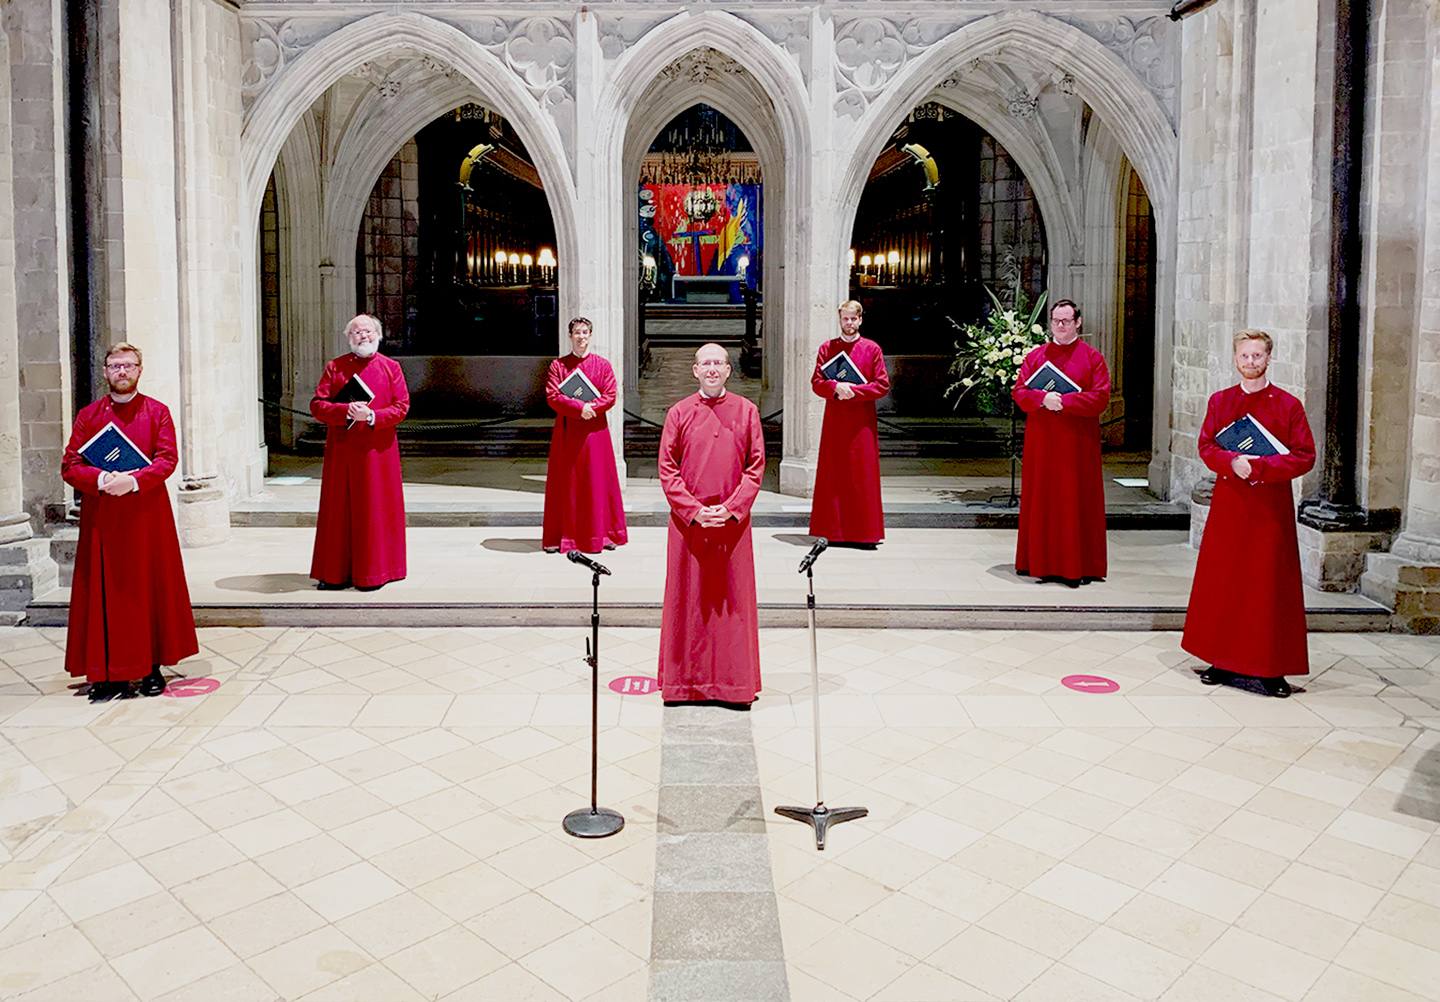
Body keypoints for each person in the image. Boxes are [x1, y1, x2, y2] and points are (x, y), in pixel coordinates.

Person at [61, 343, 198, 701]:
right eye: (115, 365)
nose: (122, 371)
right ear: (105, 372)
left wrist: (134, 481)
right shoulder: (89, 416)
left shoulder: (158, 413)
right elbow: (70, 465)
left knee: (147, 590)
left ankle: (151, 668)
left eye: (129, 365)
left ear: (140, 370)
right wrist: (103, 480)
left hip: (146, 517)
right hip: (103, 518)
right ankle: (108, 673)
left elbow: (167, 459)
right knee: (108, 592)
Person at [1183, 330, 1316, 697]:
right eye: (1245, 355)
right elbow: (1207, 445)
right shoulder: (1221, 401)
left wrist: (1259, 469)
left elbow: (1305, 455)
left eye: (1258, 356)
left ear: (1269, 358)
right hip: (1230, 505)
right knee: (1225, 581)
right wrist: (1232, 461)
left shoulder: (1288, 405)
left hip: (1270, 510)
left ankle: (1271, 669)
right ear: (1235, 358)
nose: (1251, 362)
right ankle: (1221, 660)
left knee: (1268, 584)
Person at [657, 344, 766, 707]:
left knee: (731, 605)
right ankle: (685, 685)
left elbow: (756, 467)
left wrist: (733, 508)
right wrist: (693, 510)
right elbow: (667, 469)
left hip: (732, 526)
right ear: (695, 370)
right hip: (690, 526)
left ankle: (734, 685)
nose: (712, 369)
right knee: (689, 603)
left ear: (729, 370)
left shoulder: (747, 411)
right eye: (706, 363)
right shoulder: (678, 413)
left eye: (719, 363)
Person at [1012, 299, 1111, 586]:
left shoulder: (1093, 358)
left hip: (1078, 443)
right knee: (1043, 498)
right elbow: (1020, 392)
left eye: (1066, 321)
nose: (1060, 326)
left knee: (1075, 498)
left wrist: (1064, 402)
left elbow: (1100, 398)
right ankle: (1039, 561)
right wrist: (1042, 398)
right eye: (1055, 321)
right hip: (1043, 442)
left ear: (1078, 322)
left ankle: (1078, 565)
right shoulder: (1036, 356)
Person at [309, 314, 410, 591]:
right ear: (348, 337)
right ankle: (335, 573)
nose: (362, 336)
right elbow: (318, 405)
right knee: (338, 511)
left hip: (378, 452)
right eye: (356, 333)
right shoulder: (335, 367)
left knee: (375, 510)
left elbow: (402, 407)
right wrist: (346, 411)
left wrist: (372, 416)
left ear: (378, 335)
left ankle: (376, 573)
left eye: (367, 331)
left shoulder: (392, 368)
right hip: (342, 451)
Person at [542, 317, 628, 554]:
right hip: (568, 432)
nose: (581, 336)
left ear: (591, 335)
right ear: (570, 336)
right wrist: (581, 409)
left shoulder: (603, 365)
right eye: (576, 332)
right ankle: (564, 537)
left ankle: (605, 534)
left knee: (598, 480)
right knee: (568, 482)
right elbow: (553, 396)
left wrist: (593, 408)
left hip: (595, 431)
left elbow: (610, 393)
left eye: (585, 332)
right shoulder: (558, 366)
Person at [810, 300, 890, 548]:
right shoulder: (827, 348)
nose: (849, 323)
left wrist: (854, 391)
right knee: (834, 474)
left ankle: (864, 534)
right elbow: (816, 382)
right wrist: (835, 387)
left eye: (853, 319)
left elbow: (882, 385)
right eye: (845, 318)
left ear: (861, 320)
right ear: (839, 319)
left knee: (861, 475)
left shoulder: (872, 348)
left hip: (862, 422)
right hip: (835, 421)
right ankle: (832, 531)